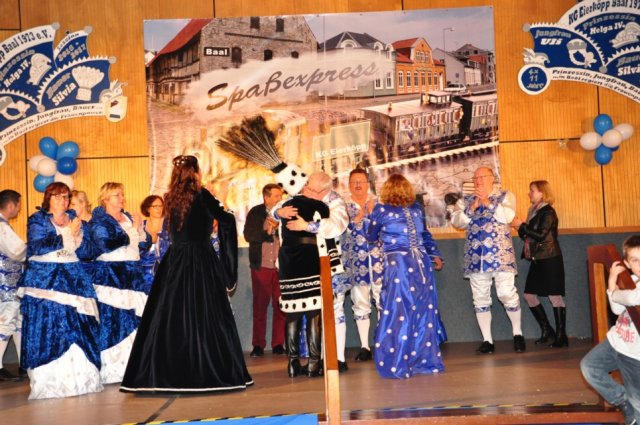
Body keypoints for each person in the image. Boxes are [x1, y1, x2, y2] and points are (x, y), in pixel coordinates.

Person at [121, 155, 252, 393]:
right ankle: (207, 370)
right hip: (202, 260)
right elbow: (225, 220)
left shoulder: (170, 198)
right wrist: (225, 212)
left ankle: (168, 371)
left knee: (171, 314)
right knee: (207, 313)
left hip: (176, 261)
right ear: (196, 173)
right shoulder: (203, 195)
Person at [19, 182, 102, 399]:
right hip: (45, 280)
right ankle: (51, 382)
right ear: (48, 198)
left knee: (78, 325)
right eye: (57, 197)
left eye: (66, 197)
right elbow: (36, 246)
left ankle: (81, 381)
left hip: (73, 278)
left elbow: (87, 252)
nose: (63, 201)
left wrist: (80, 236)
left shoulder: (75, 219)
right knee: (50, 326)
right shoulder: (37, 219)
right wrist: (66, 234)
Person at [366, 174, 446, 379]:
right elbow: (425, 235)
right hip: (414, 264)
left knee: (404, 310)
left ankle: (402, 361)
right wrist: (434, 254)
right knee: (416, 310)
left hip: (403, 264)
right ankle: (416, 361)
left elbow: (370, 236)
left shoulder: (383, 210)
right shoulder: (413, 209)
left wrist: (369, 216)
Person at [449, 166, 525, 354]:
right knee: (480, 298)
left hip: (501, 256)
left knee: (506, 293)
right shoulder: (464, 201)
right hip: (476, 257)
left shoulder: (506, 196)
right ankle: (487, 340)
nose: (478, 181)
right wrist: (472, 208)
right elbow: (456, 221)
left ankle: (518, 334)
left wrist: (489, 203)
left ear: (492, 178)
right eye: (475, 178)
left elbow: (508, 217)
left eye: (482, 177)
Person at [279, 172, 350, 372]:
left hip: (328, 263)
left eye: (310, 188)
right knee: (306, 311)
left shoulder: (335, 202)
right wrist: (278, 213)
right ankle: (312, 361)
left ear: (323, 190)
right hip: (308, 262)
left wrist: (307, 225)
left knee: (334, 308)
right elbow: (277, 209)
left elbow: (336, 226)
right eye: (307, 186)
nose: (306, 189)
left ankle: (337, 358)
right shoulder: (306, 202)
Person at [89, 182, 151, 384]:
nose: (122, 198)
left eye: (122, 194)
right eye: (117, 195)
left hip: (133, 274)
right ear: (105, 198)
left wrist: (140, 230)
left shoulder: (128, 218)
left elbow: (143, 245)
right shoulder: (99, 220)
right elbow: (104, 244)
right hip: (111, 275)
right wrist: (129, 234)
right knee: (115, 320)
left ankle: (137, 366)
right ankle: (116, 369)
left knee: (136, 319)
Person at [275, 173, 330, 378]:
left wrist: (278, 212)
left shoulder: (285, 206)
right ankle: (314, 363)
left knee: (292, 311)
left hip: (288, 261)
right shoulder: (320, 206)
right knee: (314, 311)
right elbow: (328, 226)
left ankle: (292, 363)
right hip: (308, 259)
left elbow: (274, 214)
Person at [580, 235, 640, 425]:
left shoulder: (633, 289)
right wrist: (612, 280)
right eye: (635, 260)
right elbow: (616, 309)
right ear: (627, 263)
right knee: (589, 367)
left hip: (635, 355)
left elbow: (632, 298)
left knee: (638, 402)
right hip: (616, 342)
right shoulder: (630, 281)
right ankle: (622, 401)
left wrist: (615, 293)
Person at [511, 180, 567, 347]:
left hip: (550, 258)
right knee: (529, 295)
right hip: (538, 259)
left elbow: (541, 235)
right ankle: (547, 330)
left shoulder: (548, 211)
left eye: (532, 190)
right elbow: (528, 237)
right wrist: (520, 228)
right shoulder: (533, 211)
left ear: (542, 193)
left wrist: (522, 225)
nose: (529, 193)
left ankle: (561, 336)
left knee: (555, 296)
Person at [341, 168, 383, 363]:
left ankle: (383, 342)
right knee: (360, 304)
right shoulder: (342, 207)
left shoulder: (379, 204)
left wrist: (373, 214)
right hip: (356, 264)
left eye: (361, 181)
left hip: (380, 263)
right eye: (354, 181)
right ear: (349, 185)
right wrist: (356, 220)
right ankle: (365, 346)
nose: (358, 185)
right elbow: (339, 232)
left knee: (383, 301)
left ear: (368, 184)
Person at [243, 184, 286, 357]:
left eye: (280, 196)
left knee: (281, 306)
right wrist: (268, 231)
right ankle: (258, 345)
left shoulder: (285, 212)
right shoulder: (256, 212)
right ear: (266, 197)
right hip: (261, 266)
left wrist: (278, 229)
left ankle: (278, 344)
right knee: (260, 307)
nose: (279, 199)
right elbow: (249, 235)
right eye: (276, 196)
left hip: (281, 266)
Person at [0, 190, 26, 382]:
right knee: (7, 321)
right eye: (18, 205)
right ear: (11, 205)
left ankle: (23, 363)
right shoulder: (2, 226)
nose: (18, 209)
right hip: (6, 283)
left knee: (17, 322)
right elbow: (17, 251)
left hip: (10, 282)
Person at [139, 195, 169, 292]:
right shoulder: (141, 225)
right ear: (148, 208)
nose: (159, 209)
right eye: (155, 206)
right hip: (145, 267)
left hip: (165, 266)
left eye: (161, 206)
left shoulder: (169, 224)